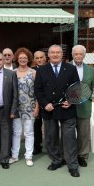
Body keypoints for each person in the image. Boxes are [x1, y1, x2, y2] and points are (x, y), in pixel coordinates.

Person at [34, 44, 80, 177]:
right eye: (52, 52)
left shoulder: (71, 68)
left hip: (67, 108)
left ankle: (72, 165)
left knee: (69, 138)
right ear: (48, 55)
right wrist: (44, 104)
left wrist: (71, 100)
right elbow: (38, 90)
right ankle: (56, 160)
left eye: (58, 53)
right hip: (49, 109)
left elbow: (76, 88)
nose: (55, 55)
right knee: (50, 137)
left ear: (62, 55)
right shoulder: (42, 70)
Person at [9, 48, 38, 167]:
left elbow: (38, 91)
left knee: (29, 132)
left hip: (30, 107)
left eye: (25, 58)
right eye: (20, 58)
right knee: (16, 132)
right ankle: (14, 155)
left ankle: (28, 156)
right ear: (17, 59)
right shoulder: (13, 72)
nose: (22, 60)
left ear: (28, 59)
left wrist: (37, 107)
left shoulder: (34, 72)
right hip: (16, 107)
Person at [71, 45, 94, 167]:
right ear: (72, 55)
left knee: (83, 134)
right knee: (67, 133)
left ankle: (82, 156)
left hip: (85, 107)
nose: (78, 56)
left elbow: (91, 88)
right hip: (69, 106)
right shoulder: (66, 68)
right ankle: (68, 155)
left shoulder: (91, 70)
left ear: (84, 55)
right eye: (76, 54)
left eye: (81, 54)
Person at [32, 50, 47, 155]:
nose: (39, 59)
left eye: (41, 57)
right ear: (34, 59)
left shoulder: (50, 69)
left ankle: (50, 145)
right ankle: (37, 146)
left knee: (50, 125)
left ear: (45, 58)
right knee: (36, 125)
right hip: (35, 102)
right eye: (37, 58)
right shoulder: (31, 70)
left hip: (48, 102)